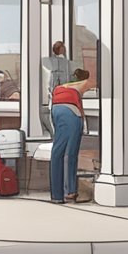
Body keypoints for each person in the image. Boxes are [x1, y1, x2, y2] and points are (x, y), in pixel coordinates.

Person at [50, 68, 97, 204]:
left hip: (56, 107)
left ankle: (56, 195)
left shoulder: (64, 84)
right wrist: (83, 125)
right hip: (71, 110)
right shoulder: (86, 83)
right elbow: (80, 107)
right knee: (71, 153)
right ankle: (70, 191)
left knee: (57, 151)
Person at [39, 41, 72, 135]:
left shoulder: (66, 63)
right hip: (54, 95)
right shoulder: (48, 62)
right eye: (62, 48)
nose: (64, 49)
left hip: (62, 95)